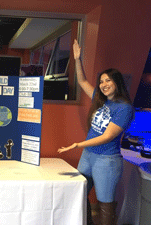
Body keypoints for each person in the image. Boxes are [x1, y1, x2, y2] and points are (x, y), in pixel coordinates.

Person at [58, 40, 134, 225]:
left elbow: (107, 136)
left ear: (117, 82)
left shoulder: (124, 108)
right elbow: (82, 81)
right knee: (79, 192)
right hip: (88, 156)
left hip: (106, 160)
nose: (103, 84)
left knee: (104, 204)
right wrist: (77, 59)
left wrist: (77, 144)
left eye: (108, 80)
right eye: (101, 81)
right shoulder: (101, 100)